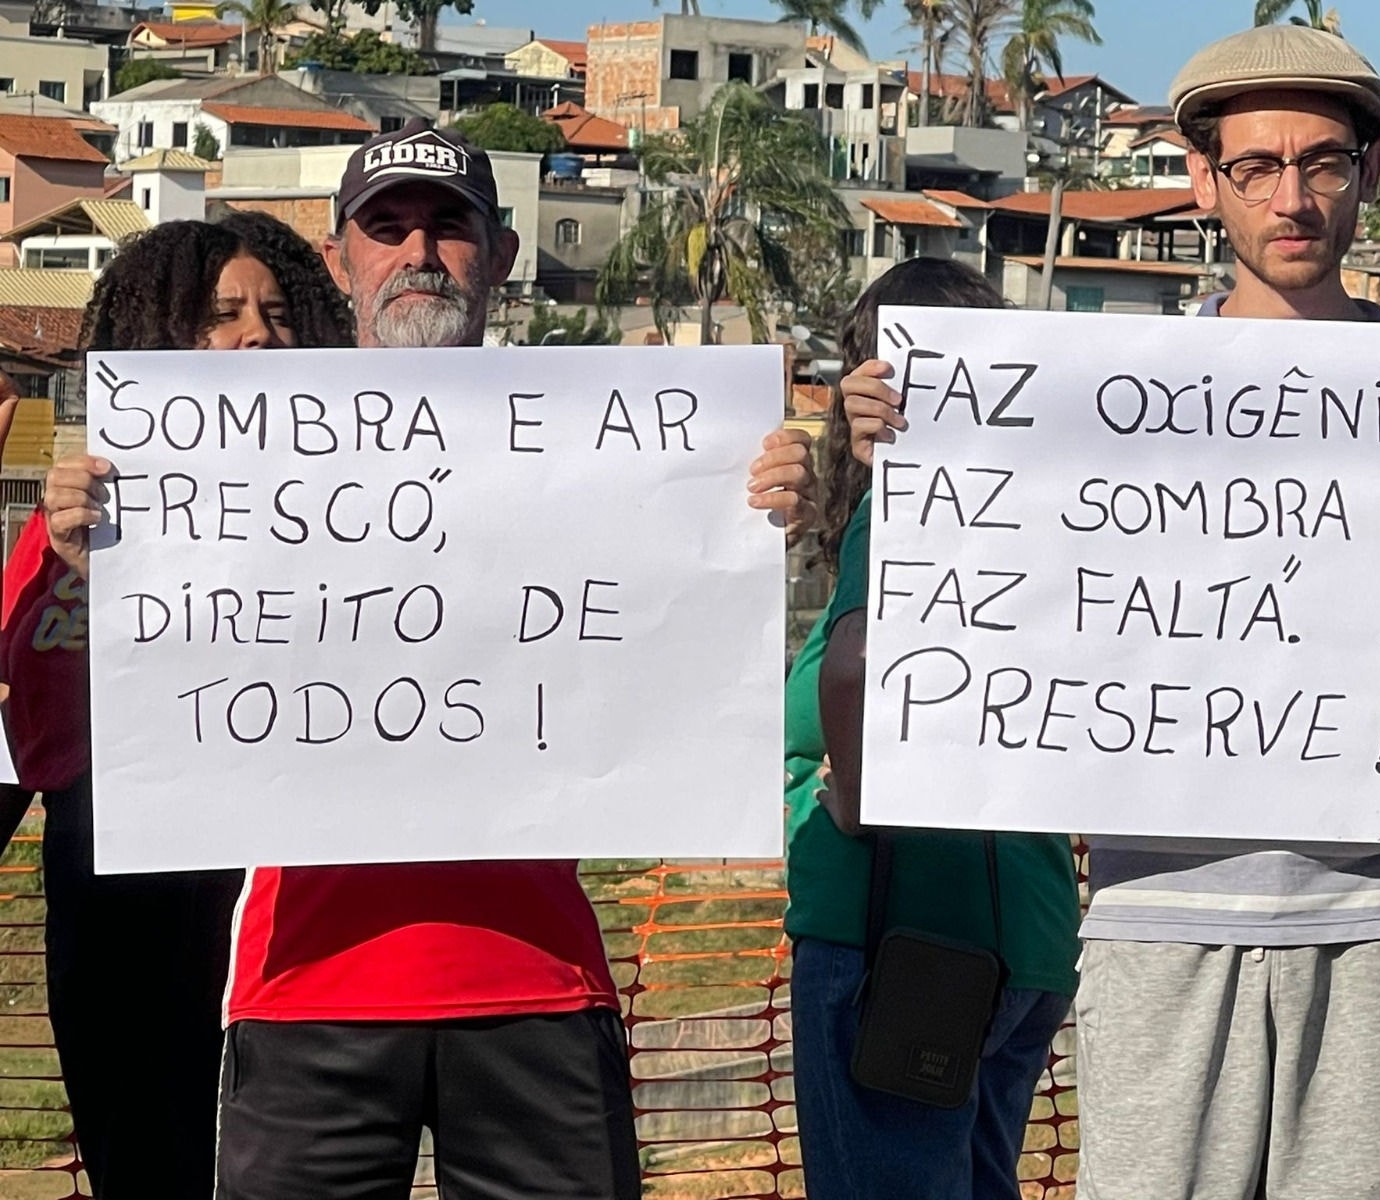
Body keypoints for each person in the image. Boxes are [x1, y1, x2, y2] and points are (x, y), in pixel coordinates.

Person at [42, 119, 814, 1200]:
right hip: (303, 990)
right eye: (388, 226)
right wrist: (87, 559)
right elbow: (74, 723)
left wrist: (763, 499)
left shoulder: (612, 447)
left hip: (538, 985)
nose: (418, 253)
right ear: (343, 252)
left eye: (448, 227)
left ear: (497, 254)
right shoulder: (224, 460)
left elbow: (677, 648)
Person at [843, 26, 1380, 1200]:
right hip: (1150, 928)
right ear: (1197, 176)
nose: (1292, 197)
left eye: (1324, 163)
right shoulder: (1094, 407)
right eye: (1254, 166)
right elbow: (971, 625)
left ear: (1370, 173)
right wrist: (901, 465)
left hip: (1369, 925)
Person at [6, 212, 354, 1199]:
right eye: (220, 316)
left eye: (281, 314)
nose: (258, 336)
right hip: (126, 903)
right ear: (152, 338)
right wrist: (82, 576)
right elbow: (30, 736)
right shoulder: (77, 519)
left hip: (294, 903)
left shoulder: (367, 507)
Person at [786, 258, 1080, 1199]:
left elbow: (858, 668)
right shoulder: (1047, 531)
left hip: (899, 946)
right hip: (1029, 940)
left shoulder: (908, 524)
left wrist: (845, 804)